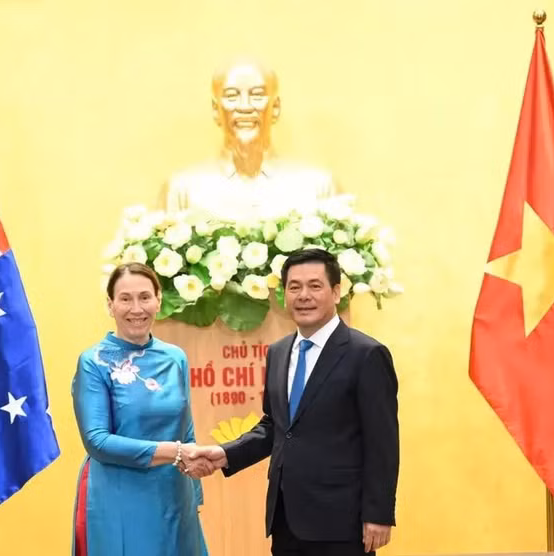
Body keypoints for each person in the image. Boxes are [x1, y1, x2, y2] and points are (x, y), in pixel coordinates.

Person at [190, 249, 400, 555]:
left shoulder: (366, 354)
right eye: (294, 287)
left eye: (315, 286)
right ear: (284, 293)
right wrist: (224, 453)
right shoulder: (278, 352)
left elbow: (383, 442)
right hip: (286, 518)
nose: (304, 295)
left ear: (337, 292)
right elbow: (275, 426)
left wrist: (378, 514)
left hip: (343, 522)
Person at [71, 262, 210, 556]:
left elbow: (185, 428)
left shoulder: (175, 357)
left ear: (159, 300)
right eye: (125, 299)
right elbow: (97, 441)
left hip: (175, 493)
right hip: (119, 495)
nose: (137, 308)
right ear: (110, 305)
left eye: (145, 297)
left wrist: (193, 495)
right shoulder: (93, 362)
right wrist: (175, 452)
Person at [161, 59, 337, 222]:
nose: (244, 107)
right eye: (231, 96)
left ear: (275, 108)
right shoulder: (185, 188)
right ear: (216, 110)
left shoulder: (316, 185)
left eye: (257, 95)